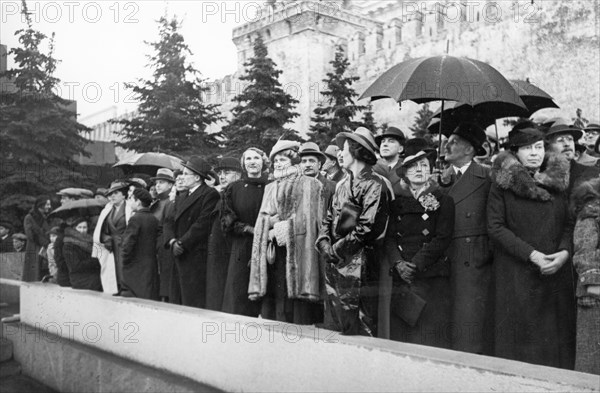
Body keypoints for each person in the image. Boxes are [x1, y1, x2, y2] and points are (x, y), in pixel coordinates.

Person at [487, 125, 576, 369]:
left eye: (539, 147)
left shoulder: (557, 182)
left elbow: (569, 224)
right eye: (527, 148)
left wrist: (564, 254)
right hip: (516, 275)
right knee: (519, 350)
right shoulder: (501, 184)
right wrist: (533, 255)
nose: (535, 153)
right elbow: (495, 227)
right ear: (515, 152)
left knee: (553, 349)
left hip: (554, 276)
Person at [316, 127, 389, 335]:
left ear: (356, 151)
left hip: (360, 265)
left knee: (360, 325)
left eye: (344, 149)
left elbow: (365, 227)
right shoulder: (341, 185)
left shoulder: (375, 184)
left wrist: (336, 250)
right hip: (335, 264)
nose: (340, 153)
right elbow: (328, 218)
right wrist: (324, 243)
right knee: (336, 321)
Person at [385, 138, 454, 348]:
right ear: (404, 172)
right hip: (401, 277)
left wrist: (414, 265)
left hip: (429, 276)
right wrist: (398, 263)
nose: (418, 170)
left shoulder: (443, 199)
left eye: (424, 165)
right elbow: (388, 237)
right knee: (401, 339)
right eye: (413, 166)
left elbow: (442, 238)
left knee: (428, 338)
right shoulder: (396, 202)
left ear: (431, 170)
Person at [248, 140, 324, 324]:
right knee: (274, 303)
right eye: (275, 161)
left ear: (293, 161)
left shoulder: (310, 184)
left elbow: (308, 219)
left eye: (283, 159)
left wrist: (281, 229)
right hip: (273, 253)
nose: (278, 164)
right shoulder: (270, 186)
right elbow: (262, 217)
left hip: (298, 252)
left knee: (297, 311)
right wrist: (269, 226)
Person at [439, 122, 493, 355]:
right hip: (444, 258)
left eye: (454, 142)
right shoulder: (441, 179)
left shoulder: (487, 176)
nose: (447, 145)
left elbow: (495, 219)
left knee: (469, 324)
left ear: (470, 150)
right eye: (447, 141)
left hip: (473, 260)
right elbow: (432, 213)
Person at [163, 156, 220, 308]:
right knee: (178, 300)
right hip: (178, 252)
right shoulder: (182, 196)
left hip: (194, 255)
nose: (182, 177)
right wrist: (172, 241)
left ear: (196, 177)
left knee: (192, 300)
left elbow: (202, 224)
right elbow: (169, 221)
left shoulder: (209, 194)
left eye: (186, 173)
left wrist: (182, 242)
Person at [221, 148, 269, 316]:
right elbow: (227, 219)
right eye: (248, 158)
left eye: (256, 157)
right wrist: (248, 229)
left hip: (267, 245)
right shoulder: (234, 189)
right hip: (242, 247)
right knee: (238, 296)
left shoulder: (271, 186)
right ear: (243, 164)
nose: (252, 161)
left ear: (263, 162)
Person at [570, 178, 600, 375]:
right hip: (596, 292)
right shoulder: (591, 209)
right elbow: (584, 247)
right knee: (593, 357)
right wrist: (593, 283)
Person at [205, 157, 243, 310]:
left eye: (227, 172)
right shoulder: (221, 194)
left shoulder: (238, 193)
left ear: (239, 174)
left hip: (229, 252)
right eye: (220, 173)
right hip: (216, 253)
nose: (222, 176)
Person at [93, 181, 131, 294]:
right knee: (111, 269)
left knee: (123, 268)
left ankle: (125, 289)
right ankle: (115, 289)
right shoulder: (107, 210)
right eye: (110, 194)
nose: (112, 196)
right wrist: (105, 238)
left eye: (116, 193)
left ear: (124, 195)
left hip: (125, 243)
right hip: (111, 245)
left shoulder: (129, 209)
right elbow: (101, 230)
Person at [121, 188, 159, 300]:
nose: (130, 202)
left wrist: (124, 258)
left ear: (138, 202)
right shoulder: (154, 219)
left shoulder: (135, 219)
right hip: (150, 266)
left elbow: (128, 243)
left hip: (136, 266)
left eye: (131, 199)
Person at [544, 123, 599, 195]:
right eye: (560, 140)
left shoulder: (591, 173)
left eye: (570, 139)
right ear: (548, 147)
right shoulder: (541, 177)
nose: (567, 144)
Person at [149, 168, 175, 302]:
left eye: (161, 182)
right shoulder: (157, 202)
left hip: (164, 247)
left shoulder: (170, 202)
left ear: (170, 185)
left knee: (165, 283)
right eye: (156, 182)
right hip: (155, 246)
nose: (157, 185)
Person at [63, 217, 102, 291]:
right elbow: (75, 266)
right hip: (79, 278)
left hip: (90, 274)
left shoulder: (90, 240)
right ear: (74, 228)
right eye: (79, 227)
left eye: (85, 227)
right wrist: (95, 260)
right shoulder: (69, 244)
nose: (82, 230)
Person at [299, 142, 337, 210]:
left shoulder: (333, 187)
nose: (307, 165)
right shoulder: (294, 187)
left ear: (319, 164)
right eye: (304, 161)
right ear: (300, 165)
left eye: (311, 161)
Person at [22, 196, 51, 282]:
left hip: (45, 247)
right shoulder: (29, 217)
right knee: (34, 273)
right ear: (40, 205)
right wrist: (45, 242)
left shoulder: (47, 217)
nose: (49, 206)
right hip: (34, 247)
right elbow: (31, 235)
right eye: (47, 204)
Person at [373, 126, 406, 196]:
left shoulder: (408, 169)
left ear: (400, 149)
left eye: (391, 141)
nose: (385, 144)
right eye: (383, 141)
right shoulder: (371, 169)